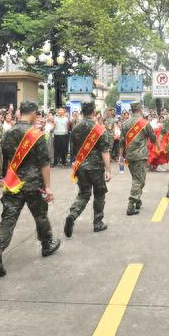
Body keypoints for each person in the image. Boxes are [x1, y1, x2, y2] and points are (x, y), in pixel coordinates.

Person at [0, 101, 60, 277]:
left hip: (13, 183)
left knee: (8, 217)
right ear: (35, 114)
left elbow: (6, 159)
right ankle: (47, 245)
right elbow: (44, 163)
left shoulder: (8, 133)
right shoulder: (37, 135)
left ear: (20, 112)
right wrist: (48, 187)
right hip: (33, 183)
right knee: (40, 216)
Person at [64, 101, 111, 237]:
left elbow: (73, 149)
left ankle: (72, 215)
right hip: (96, 167)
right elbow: (105, 151)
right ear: (94, 112)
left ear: (82, 111)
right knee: (99, 193)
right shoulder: (99, 129)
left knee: (84, 193)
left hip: (81, 166)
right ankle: (98, 222)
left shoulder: (76, 128)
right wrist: (108, 170)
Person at [120, 101, 158, 215]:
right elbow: (153, 138)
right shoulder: (145, 123)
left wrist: (120, 157)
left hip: (129, 156)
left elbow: (121, 142)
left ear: (131, 111)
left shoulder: (125, 124)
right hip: (140, 156)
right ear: (141, 110)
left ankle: (138, 201)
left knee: (136, 178)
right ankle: (131, 205)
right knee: (139, 180)